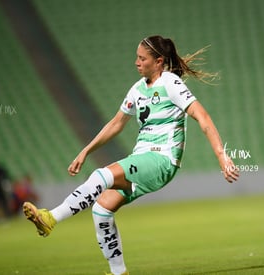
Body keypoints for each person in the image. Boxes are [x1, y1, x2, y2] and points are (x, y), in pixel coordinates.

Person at [23, 35, 239, 275]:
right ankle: (119, 272)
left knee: (101, 175)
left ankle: (50, 218)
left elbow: (203, 117)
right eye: (136, 57)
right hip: (143, 158)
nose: (136, 62)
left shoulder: (170, 83)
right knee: (102, 210)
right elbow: (116, 123)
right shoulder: (137, 89)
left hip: (161, 159)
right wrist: (86, 150)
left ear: (158, 61)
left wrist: (222, 155)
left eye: (142, 58)